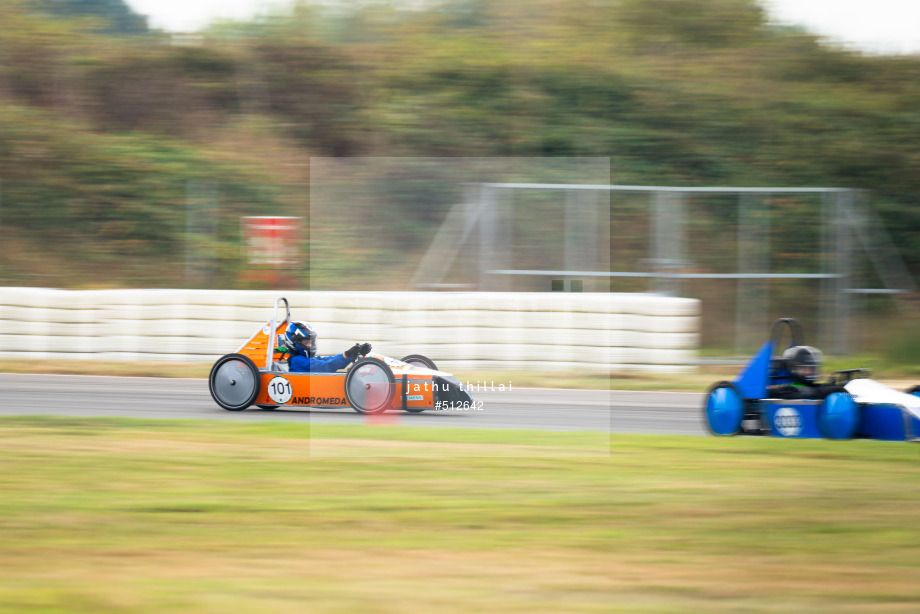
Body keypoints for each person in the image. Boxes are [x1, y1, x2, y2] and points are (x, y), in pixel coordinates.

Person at [282, 320, 371, 373]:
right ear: (293, 343)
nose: (310, 345)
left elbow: (328, 360)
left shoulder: (307, 359)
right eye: (306, 342)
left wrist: (352, 355)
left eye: (311, 342)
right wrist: (346, 354)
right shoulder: (297, 360)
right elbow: (326, 366)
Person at [769, 345, 838, 399]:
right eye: (805, 369)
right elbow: (807, 393)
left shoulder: (813, 386)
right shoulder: (785, 390)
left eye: (812, 369)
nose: (809, 372)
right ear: (793, 369)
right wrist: (823, 391)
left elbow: (816, 388)